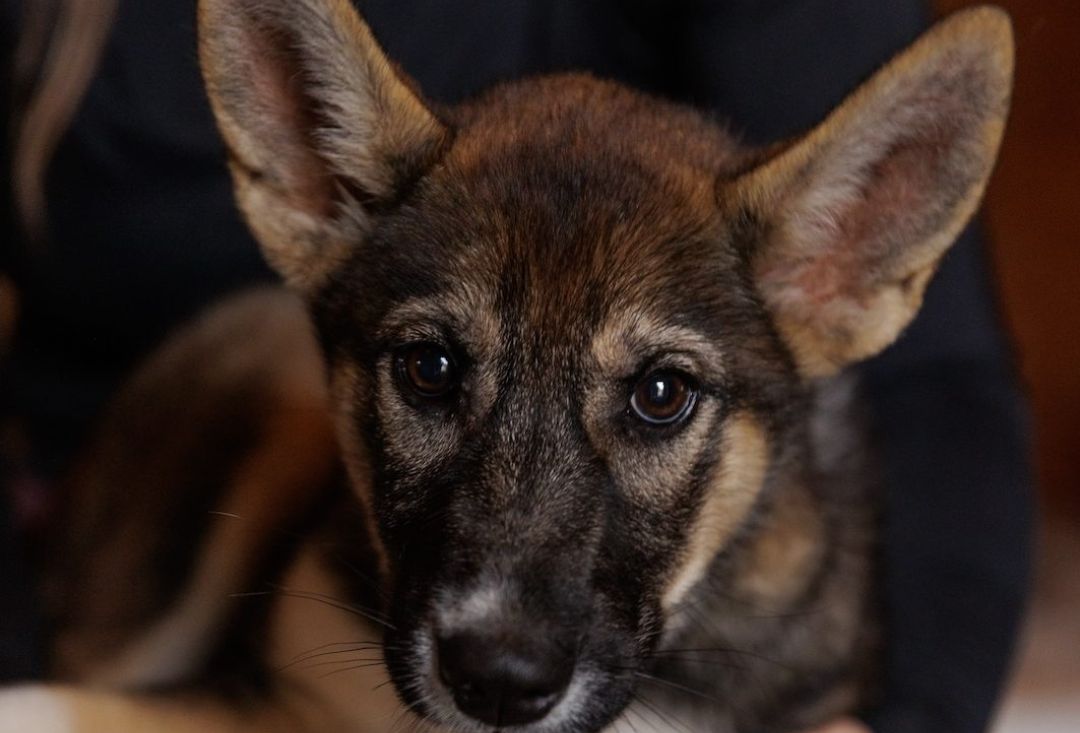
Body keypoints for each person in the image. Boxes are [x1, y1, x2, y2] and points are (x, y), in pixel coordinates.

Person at [0, 1, 1033, 731]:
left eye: (659, 395)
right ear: (315, 181)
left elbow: (945, 384)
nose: (499, 637)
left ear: (837, 273)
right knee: (262, 347)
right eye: (435, 372)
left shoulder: (789, 638)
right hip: (114, 490)